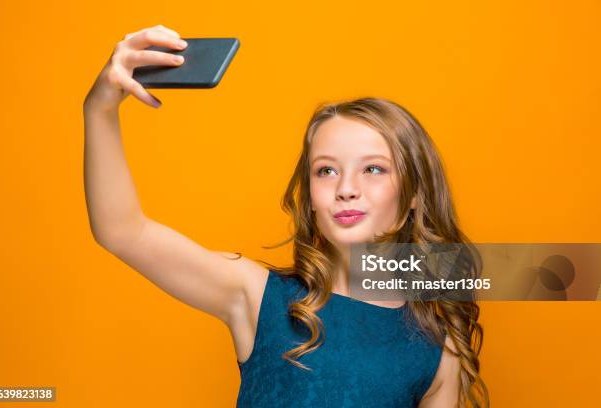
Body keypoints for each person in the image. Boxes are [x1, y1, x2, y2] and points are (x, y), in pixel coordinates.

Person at [83, 24, 489, 408]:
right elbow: (122, 230)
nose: (346, 187)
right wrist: (99, 108)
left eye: (374, 169)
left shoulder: (438, 353)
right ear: (310, 196)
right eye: (326, 170)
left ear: (415, 195)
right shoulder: (257, 296)